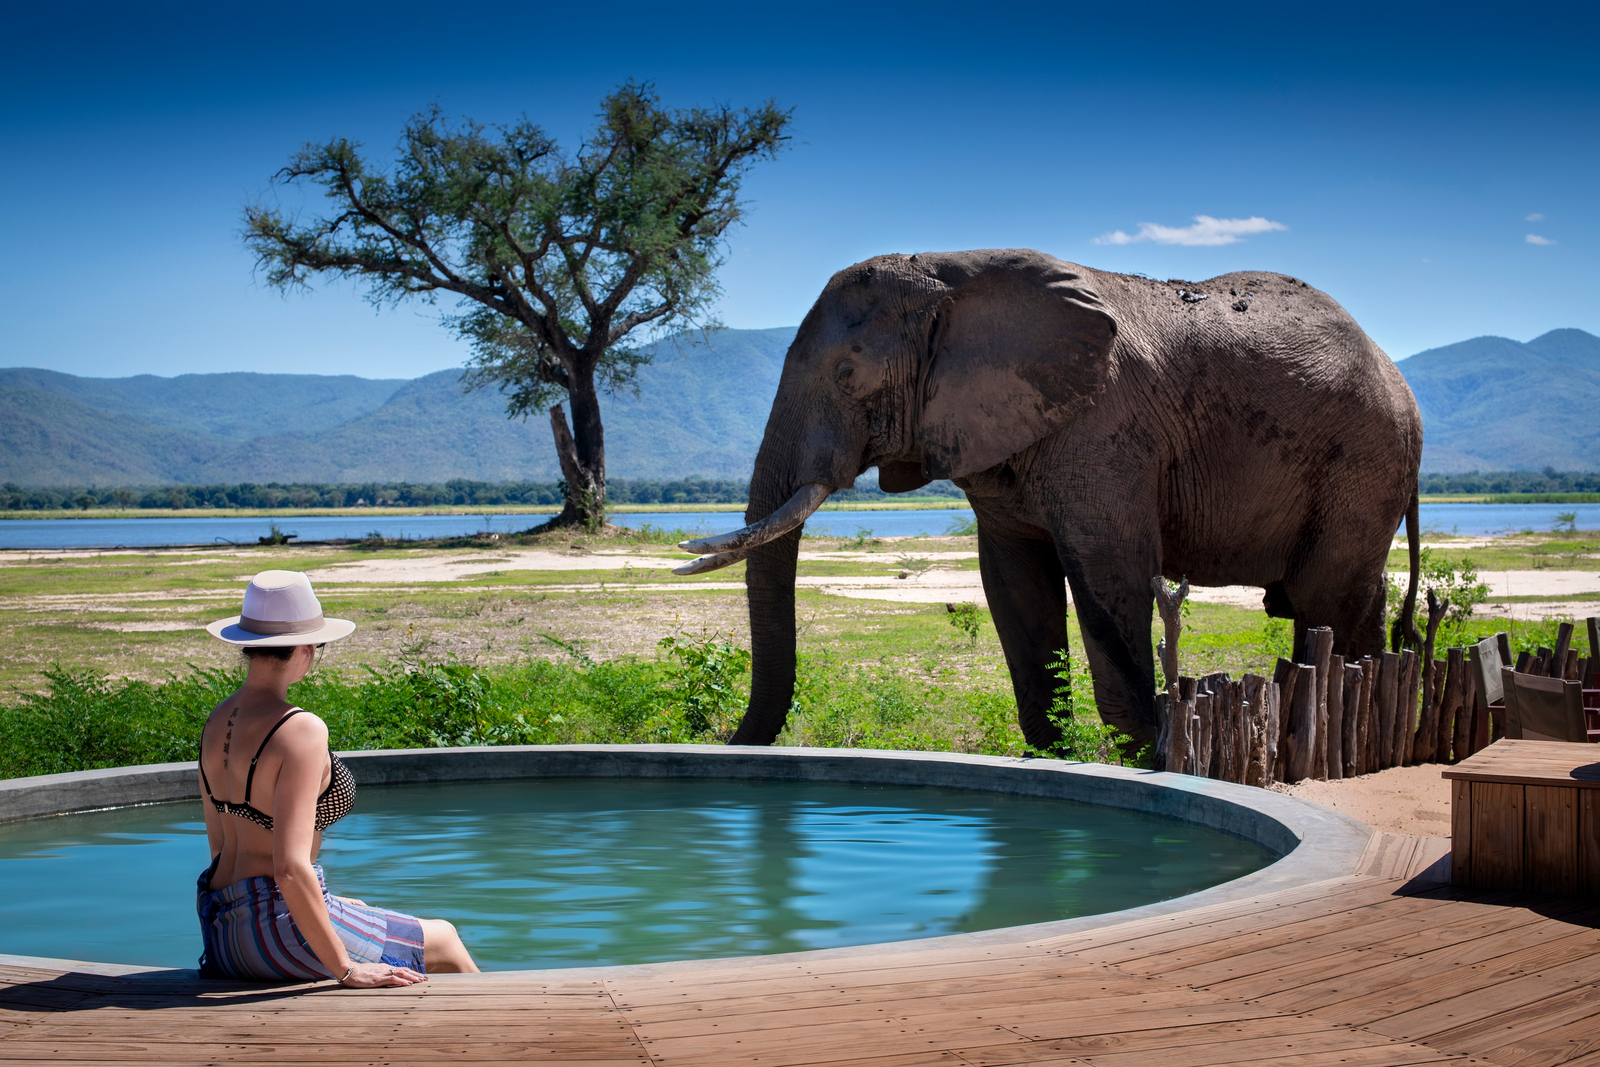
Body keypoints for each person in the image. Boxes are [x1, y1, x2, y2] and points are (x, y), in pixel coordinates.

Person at [197, 570, 478, 985]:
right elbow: (289, 869)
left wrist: (328, 905)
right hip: (276, 933)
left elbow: (219, 846)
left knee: (363, 911)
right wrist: (347, 970)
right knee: (446, 940)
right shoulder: (301, 729)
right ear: (308, 647)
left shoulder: (217, 720)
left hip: (223, 932)